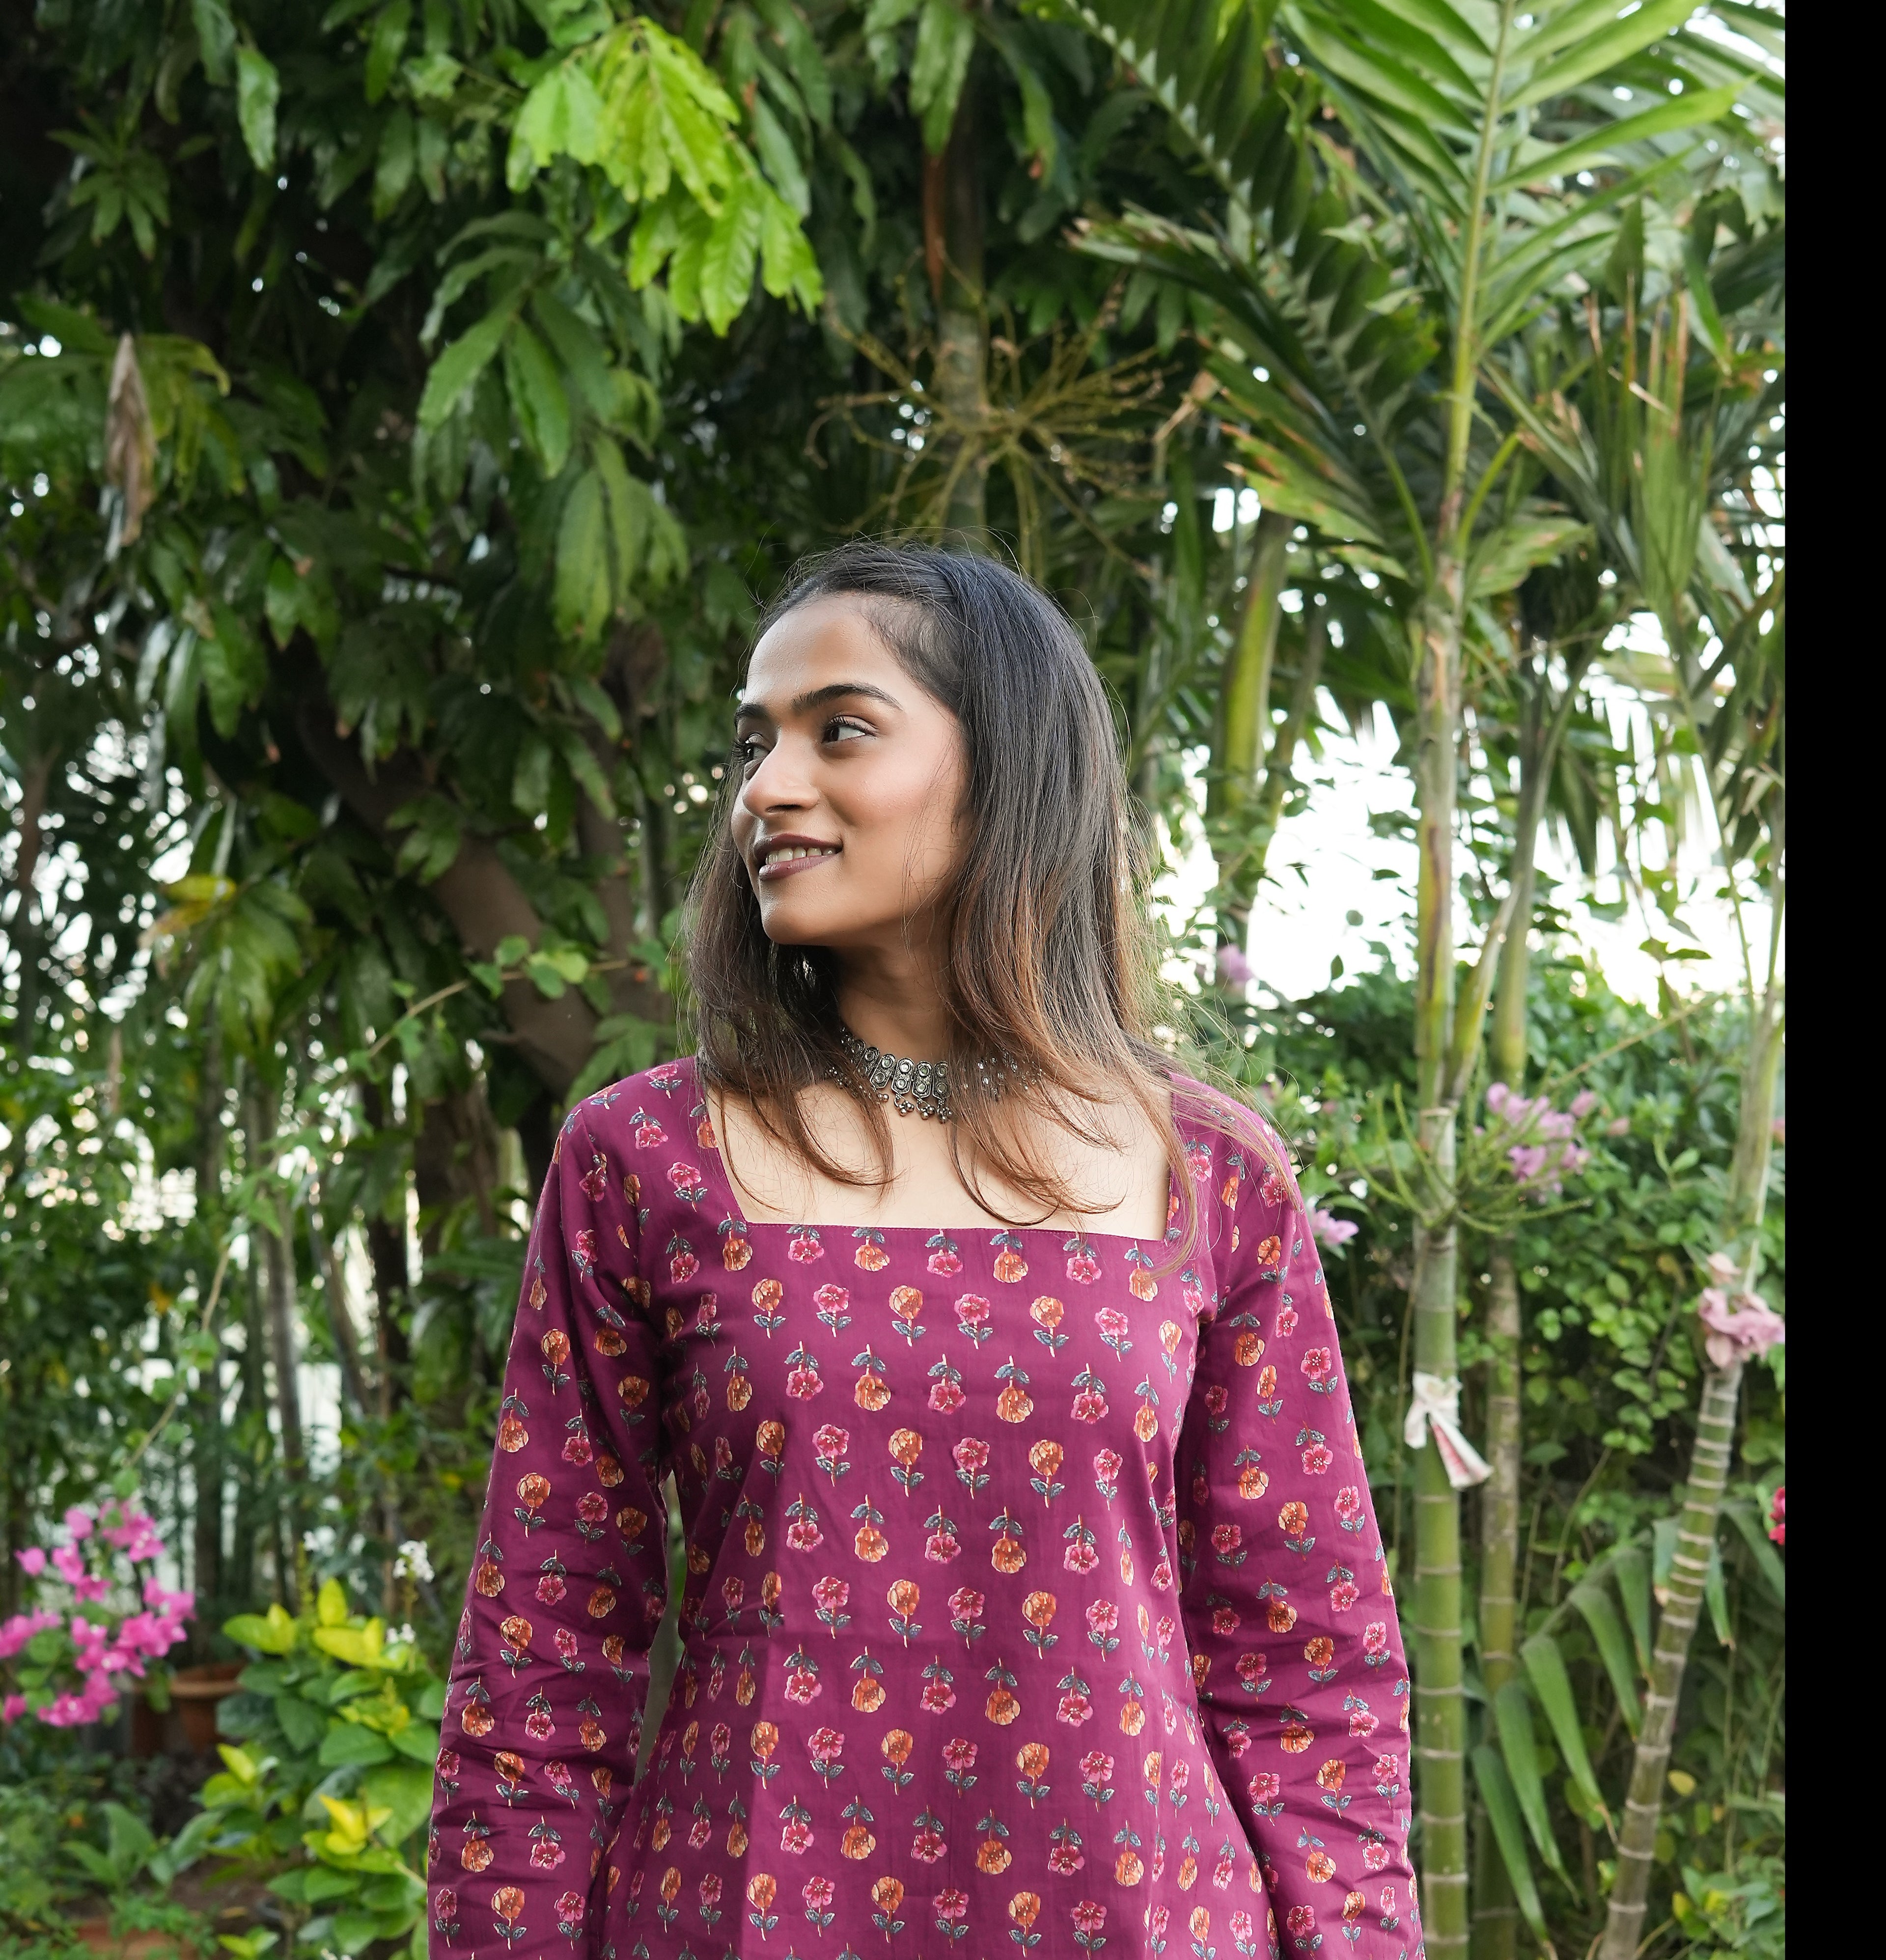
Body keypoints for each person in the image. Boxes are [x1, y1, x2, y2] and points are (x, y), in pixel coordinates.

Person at [427, 544, 1422, 1960]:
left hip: (1144, 1923)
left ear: (1006, 766)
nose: (765, 788)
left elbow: (1308, 1666)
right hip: (739, 1920)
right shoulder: (645, 1159)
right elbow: (542, 1656)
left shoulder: (1207, 1174)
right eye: (754, 743)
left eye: (839, 729)